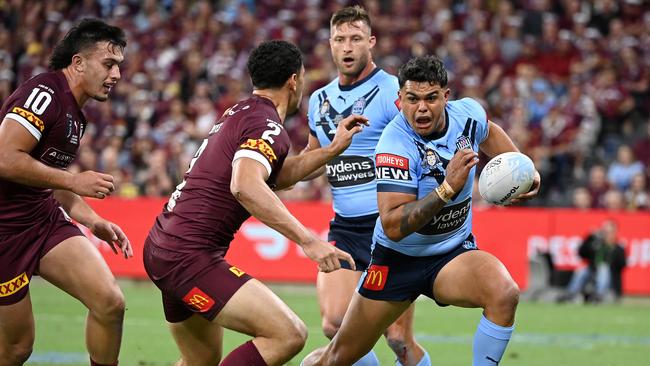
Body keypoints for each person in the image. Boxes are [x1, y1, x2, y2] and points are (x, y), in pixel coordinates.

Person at [303, 55, 541, 366]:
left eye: (431, 98)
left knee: (504, 293)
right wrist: (447, 189)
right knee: (337, 358)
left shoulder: (468, 115)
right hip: (397, 262)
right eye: (412, 99)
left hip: (451, 253)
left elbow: (489, 130)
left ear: (447, 96)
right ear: (399, 100)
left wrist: (522, 169)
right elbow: (393, 224)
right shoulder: (393, 145)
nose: (422, 108)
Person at [142, 40, 367, 366]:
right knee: (288, 334)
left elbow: (278, 174)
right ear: (294, 80)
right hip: (189, 256)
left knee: (200, 361)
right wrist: (308, 240)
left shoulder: (240, 112)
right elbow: (245, 185)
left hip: (164, 245)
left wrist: (332, 150)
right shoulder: (267, 125)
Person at [0, 19, 132, 366]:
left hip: (41, 219)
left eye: (118, 66)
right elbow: (4, 158)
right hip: (4, 233)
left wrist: (94, 220)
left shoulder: (77, 113)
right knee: (17, 349)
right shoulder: (43, 93)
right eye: (108, 64)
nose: (116, 75)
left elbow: (52, 182)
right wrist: (75, 180)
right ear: (78, 62)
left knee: (110, 301)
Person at [303, 6, 429, 366]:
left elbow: (423, 147)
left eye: (355, 38)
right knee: (334, 324)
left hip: (388, 225)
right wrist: (274, 170)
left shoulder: (394, 92)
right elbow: (314, 159)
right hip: (345, 226)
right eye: (340, 39)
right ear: (329, 43)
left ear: (371, 42)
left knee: (397, 338)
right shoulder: (319, 100)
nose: (347, 47)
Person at [558, 219, 627, 303]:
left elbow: (622, 265)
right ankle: (570, 293)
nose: (607, 235)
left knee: (603, 269)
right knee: (582, 271)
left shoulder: (618, 248)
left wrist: (611, 250)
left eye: (609, 232)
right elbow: (581, 253)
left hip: (609, 279)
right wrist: (589, 237)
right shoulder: (596, 245)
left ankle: (599, 295)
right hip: (593, 272)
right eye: (604, 232)